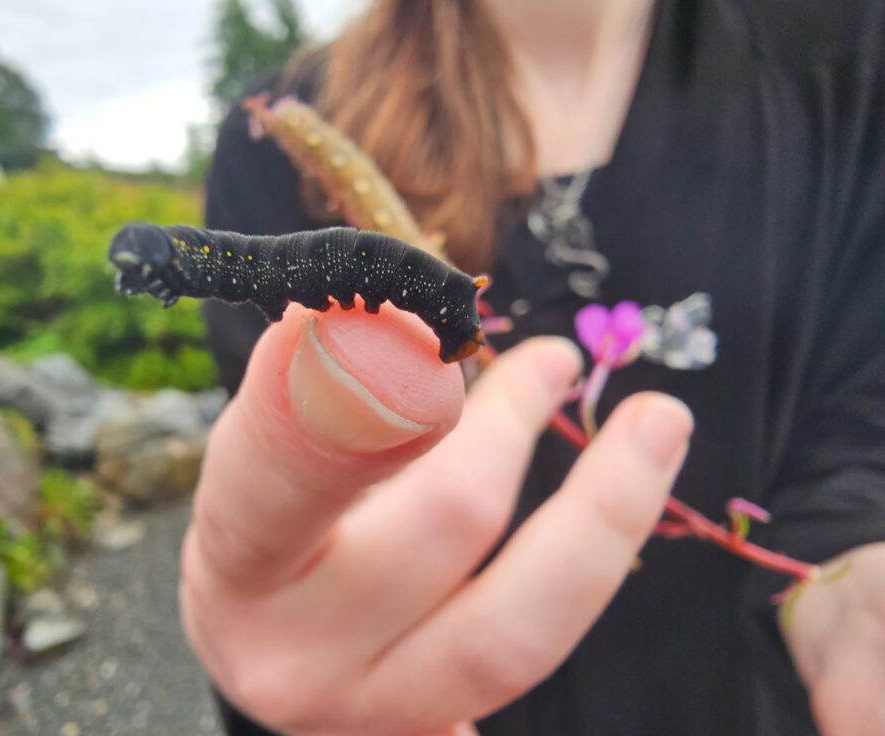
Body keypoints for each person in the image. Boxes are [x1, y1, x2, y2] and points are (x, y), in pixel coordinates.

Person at [181, 1, 885, 734]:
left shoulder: (851, 50)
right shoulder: (262, 156)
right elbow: (308, 509)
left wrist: (858, 570)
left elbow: (863, 428)